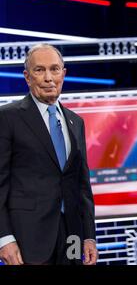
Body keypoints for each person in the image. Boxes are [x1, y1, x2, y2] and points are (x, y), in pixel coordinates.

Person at [0, 44, 97, 265]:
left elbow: (82, 185)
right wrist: (3, 238)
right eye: (39, 70)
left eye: (54, 69)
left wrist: (89, 236)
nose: (48, 78)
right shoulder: (8, 118)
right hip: (28, 236)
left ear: (63, 74)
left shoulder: (76, 122)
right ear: (27, 76)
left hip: (72, 235)